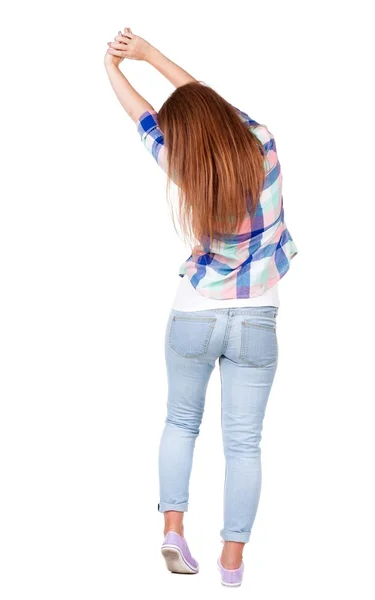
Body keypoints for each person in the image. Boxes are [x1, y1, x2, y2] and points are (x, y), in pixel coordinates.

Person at [104, 28, 298, 587]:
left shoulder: (180, 160)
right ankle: (232, 566)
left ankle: (172, 530)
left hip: (193, 309)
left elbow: (143, 118)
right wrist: (148, 54)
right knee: (243, 443)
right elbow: (207, 103)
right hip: (257, 315)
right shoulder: (261, 140)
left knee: (180, 421)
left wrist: (113, 69)